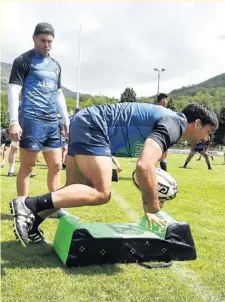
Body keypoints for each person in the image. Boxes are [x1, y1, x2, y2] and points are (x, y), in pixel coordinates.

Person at [10, 102, 218, 247]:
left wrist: (149, 207)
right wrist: (154, 207)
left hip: (86, 121)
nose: (206, 138)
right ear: (197, 123)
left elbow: (146, 173)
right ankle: (28, 204)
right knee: (101, 192)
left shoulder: (171, 122)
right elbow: (144, 166)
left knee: (72, 192)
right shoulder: (175, 124)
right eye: (208, 132)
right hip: (95, 125)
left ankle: (32, 224)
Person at [8, 22, 70, 243]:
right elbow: (14, 91)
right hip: (31, 120)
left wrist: (65, 119)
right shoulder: (23, 61)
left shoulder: (56, 66)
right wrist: (14, 121)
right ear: (34, 39)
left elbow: (59, 94)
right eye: (43, 40)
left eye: (50, 41)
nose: (47, 45)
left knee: (55, 166)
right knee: (27, 167)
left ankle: (57, 205)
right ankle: (23, 206)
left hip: (52, 122)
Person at [157, 93, 169, 171]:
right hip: (160, 135)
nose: (167, 101)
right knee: (162, 157)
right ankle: (165, 175)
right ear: (162, 100)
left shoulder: (154, 109)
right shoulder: (161, 110)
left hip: (158, 135)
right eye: (166, 99)